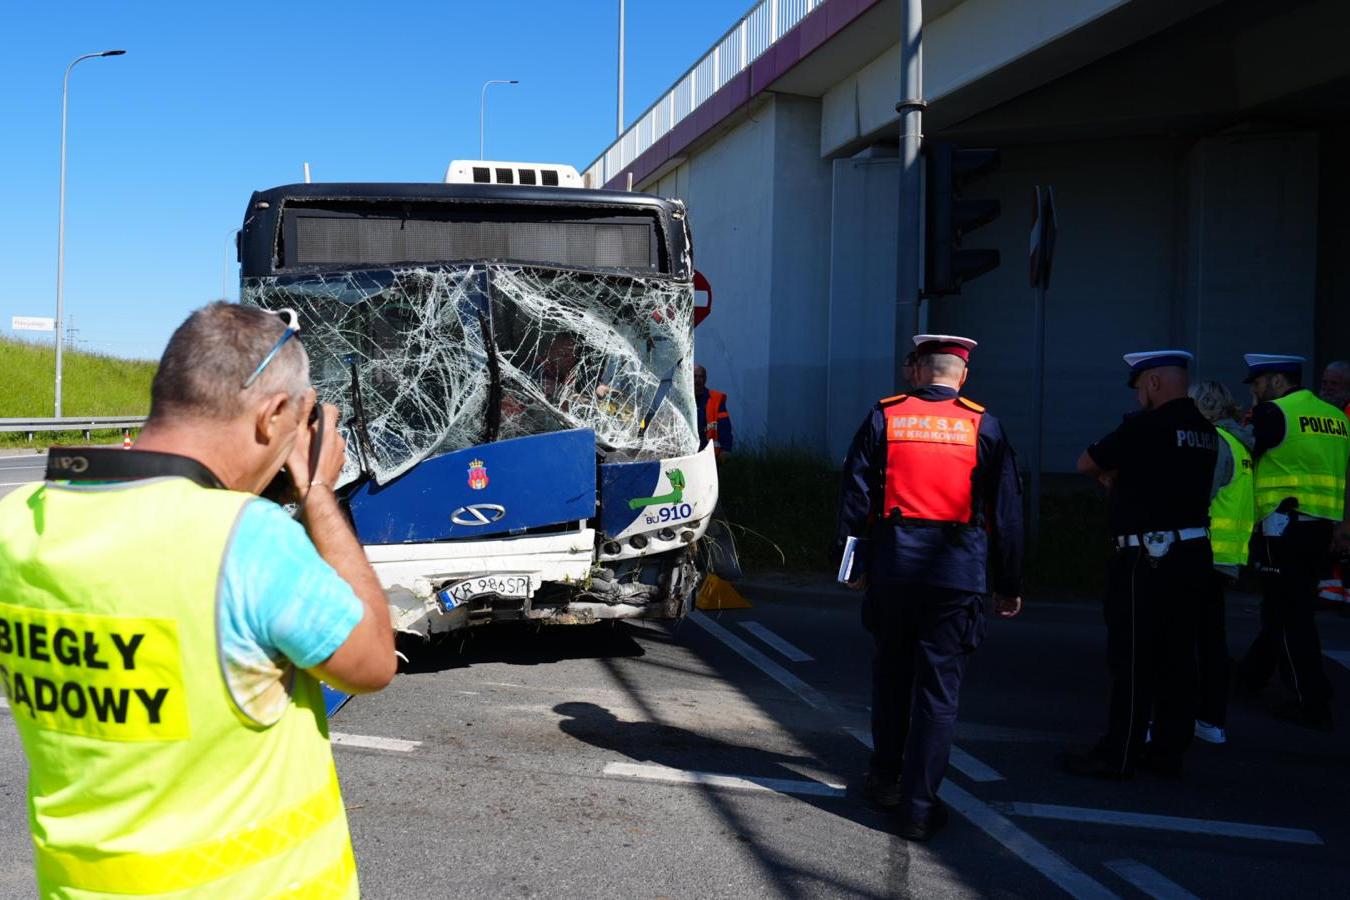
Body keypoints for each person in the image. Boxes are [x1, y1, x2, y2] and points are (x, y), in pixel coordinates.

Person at [0, 302, 396, 898]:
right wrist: (317, 491)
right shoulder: (244, 538)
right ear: (271, 417)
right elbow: (371, 663)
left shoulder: (18, 523)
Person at [835, 334, 1023, 841]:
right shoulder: (985, 424)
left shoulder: (886, 416)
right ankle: (918, 807)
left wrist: (851, 566)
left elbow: (854, 498)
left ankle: (884, 777)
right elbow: (1006, 515)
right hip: (957, 574)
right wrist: (1008, 583)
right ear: (962, 376)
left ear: (918, 370)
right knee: (938, 694)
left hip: (894, 568)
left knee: (892, 677)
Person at [1066, 350, 1217, 779]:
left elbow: (1086, 462)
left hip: (1145, 560)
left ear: (1152, 382)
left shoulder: (1146, 427)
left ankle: (1122, 751)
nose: (1137, 397)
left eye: (1138, 387)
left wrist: (1108, 477)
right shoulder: (1205, 431)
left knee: (1133, 658)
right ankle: (1169, 753)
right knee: (1178, 658)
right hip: (1191, 554)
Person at [1235, 353, 1350, 730]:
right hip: (1319, 527)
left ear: (1277, 381)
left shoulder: (1275, 413)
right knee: (1285, 608)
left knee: (1289, 615)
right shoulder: (1334, 417)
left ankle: (1310, 698)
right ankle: (1251, 677)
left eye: (1257, 382)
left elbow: (1243, 452)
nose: (1254, 390)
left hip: (1283, 527)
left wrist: (1243, 416)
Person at [1188, 380, 1256, 745]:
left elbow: (1197, 495)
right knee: (1212, 640)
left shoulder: (1214, 444)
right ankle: (1211, 720)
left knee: (1186, 640)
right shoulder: (1240, 444)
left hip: (1204, 551)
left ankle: (1188, 718)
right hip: (1227, 555)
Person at [694, 364, 734, 456]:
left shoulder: (715, 399)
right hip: (689, 454)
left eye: (701, 376)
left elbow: (724, 426)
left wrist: (726, 448)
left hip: (710, 455)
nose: (697, 380)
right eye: (695, 376)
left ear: (705, 379)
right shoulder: (684, 399)